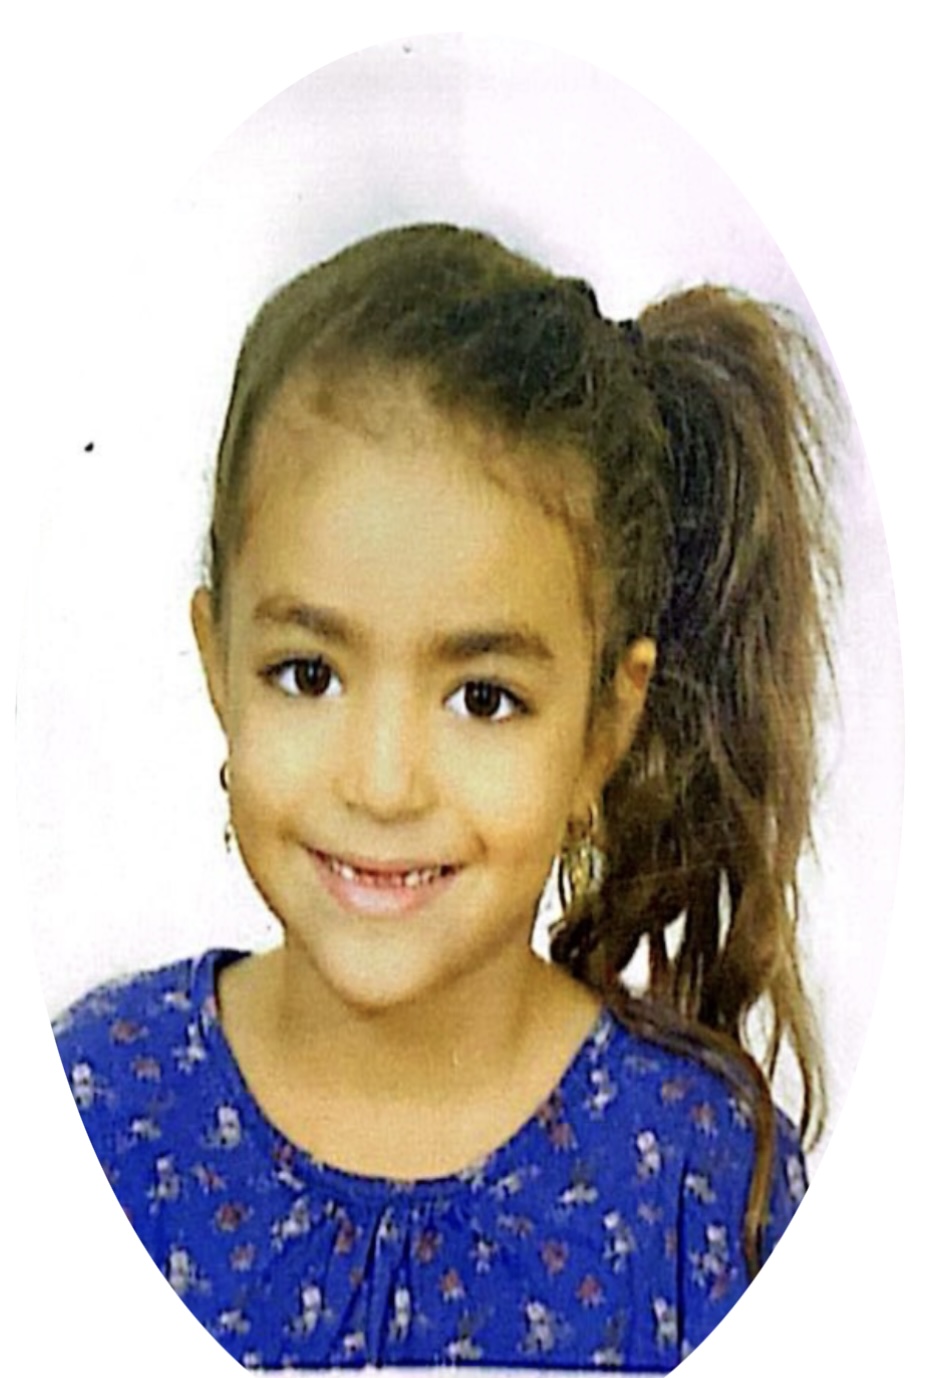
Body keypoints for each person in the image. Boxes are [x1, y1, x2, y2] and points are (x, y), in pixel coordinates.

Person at [53, 222, 840, 1371]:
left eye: (482, 698)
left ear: (603, 727)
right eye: (308, 674)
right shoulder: (92, 1109)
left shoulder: (697, 1187)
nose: (381, 783)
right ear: (218, 664)